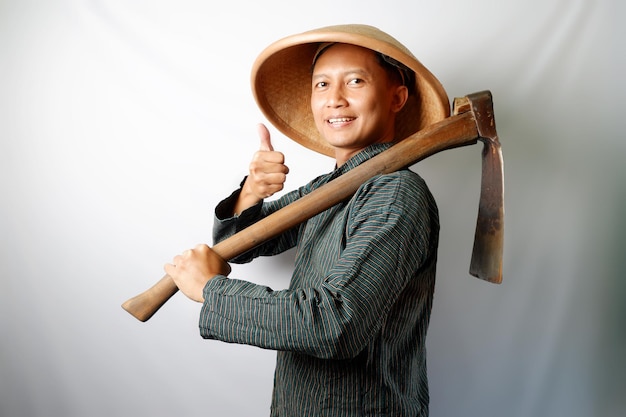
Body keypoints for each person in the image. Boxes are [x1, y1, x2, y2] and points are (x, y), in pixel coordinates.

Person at [165, 24, 450, 417]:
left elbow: (335, 324)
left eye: (354, 81)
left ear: (397, 97)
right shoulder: (327, 189)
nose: (334, 99)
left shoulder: (396, 194)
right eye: (321, 85)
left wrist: (211, 291)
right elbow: (244, 242)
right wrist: (250, 192)